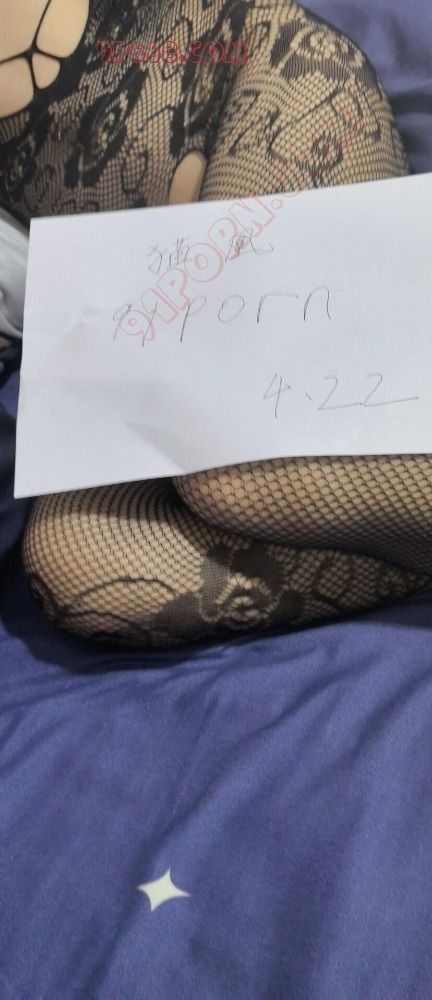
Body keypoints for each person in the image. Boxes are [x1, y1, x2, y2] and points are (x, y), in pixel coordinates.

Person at [1, 0, 431, 647]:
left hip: (264, 94)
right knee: (76, 560)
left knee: (233, 465)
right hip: (123, 298)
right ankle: (408, 542)